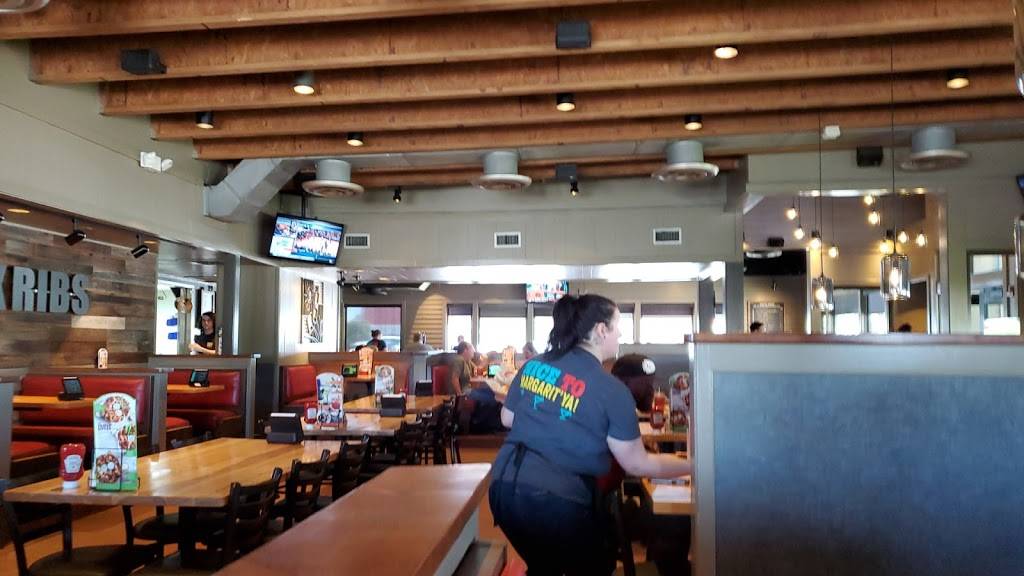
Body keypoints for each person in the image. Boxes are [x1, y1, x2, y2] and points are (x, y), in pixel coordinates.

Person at [489, 294, 691, 575]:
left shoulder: (534, 365)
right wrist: (694, 465)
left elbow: (507, 418)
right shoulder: (612, 390)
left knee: (543, 565)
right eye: (617, 325)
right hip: (556, 500)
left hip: (504, 490)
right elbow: (637, 464)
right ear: (601, 330)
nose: (620, 334)